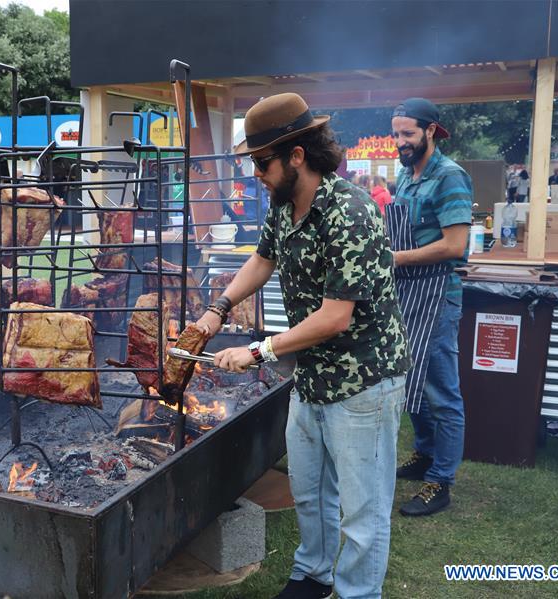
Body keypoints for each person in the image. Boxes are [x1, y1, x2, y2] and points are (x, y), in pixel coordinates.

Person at [197, 93, 409, 599]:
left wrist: (258, 351)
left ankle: (358, 592)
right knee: (310, 492)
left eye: (262, 163)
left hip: (364, 380)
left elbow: (336, 318)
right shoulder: (283, 205)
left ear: (297, 155)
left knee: (363, 510)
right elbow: (262, 260)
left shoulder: (351, 211)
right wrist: (218, 308)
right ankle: (312, 575)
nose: (257, 174)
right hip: (312, 378)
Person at [389, 98, 472, 517]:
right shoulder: (405, 176)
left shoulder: (450, 177)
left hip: (438, 295)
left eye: (408, 133)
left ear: (431, 131)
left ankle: (441, 481)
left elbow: (455, 245)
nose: (400, 141)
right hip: (407, 293)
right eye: (396, 134)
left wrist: (396, 259)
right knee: (413, 380)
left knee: (442, 392)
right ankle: (424, 454)